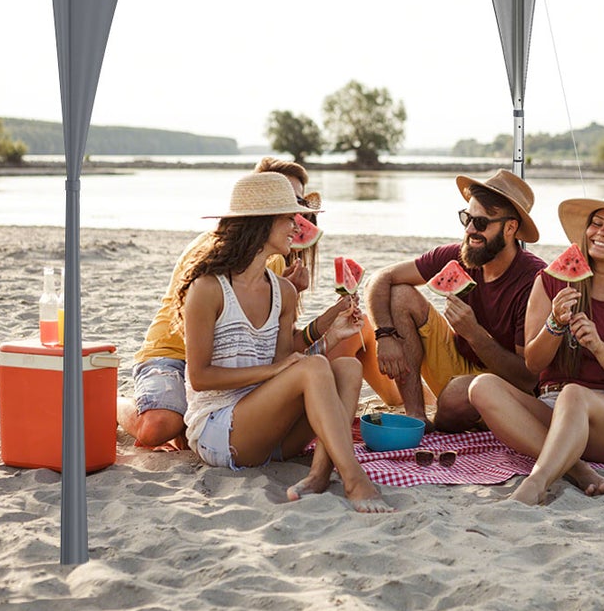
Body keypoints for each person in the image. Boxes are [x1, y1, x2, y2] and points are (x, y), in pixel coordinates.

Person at [179, 171, 390, 513]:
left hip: (273, 435)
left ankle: (320, 473)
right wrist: (275, 370)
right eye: (287, 218)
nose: (297, 225)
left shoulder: (284, 292)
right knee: (316, 367)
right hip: (222, 431)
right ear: (260, 224)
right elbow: (201, 377)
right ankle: (354, 479)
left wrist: (332, 336)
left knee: (348, 367)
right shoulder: (208, 289)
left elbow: (286, 364)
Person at [120, 158, 346, 450]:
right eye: (289, 203)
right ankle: (118, 404)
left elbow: (273, 345)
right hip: (172, 352)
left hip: (223, 368)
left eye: (299, 203)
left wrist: (305, 305)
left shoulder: (274, 263)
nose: (297, 218)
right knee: (159, 428)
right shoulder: (211, 254)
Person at [468, 192, 604, 505]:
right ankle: (576, 469)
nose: (601, 232)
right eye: (596, 223)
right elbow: (533, 364)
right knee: (482, 387)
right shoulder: (550, 282)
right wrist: (555, 324)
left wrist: (599, 348)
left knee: (574, 394)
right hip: (552, 405)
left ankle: (536, 483)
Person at [361, 169, 545, 432]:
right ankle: (416, 419)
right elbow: (380, 278)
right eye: (466, 218)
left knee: (457, 395)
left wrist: (475, 335)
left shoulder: (532, 281)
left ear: (510, 228)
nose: (470, 230)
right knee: (400, 294)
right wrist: (384, 335)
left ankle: (444, 422)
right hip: (457, 365)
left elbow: (527, 380)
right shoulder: (457, 255)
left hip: (506, 390)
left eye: (481, 223)